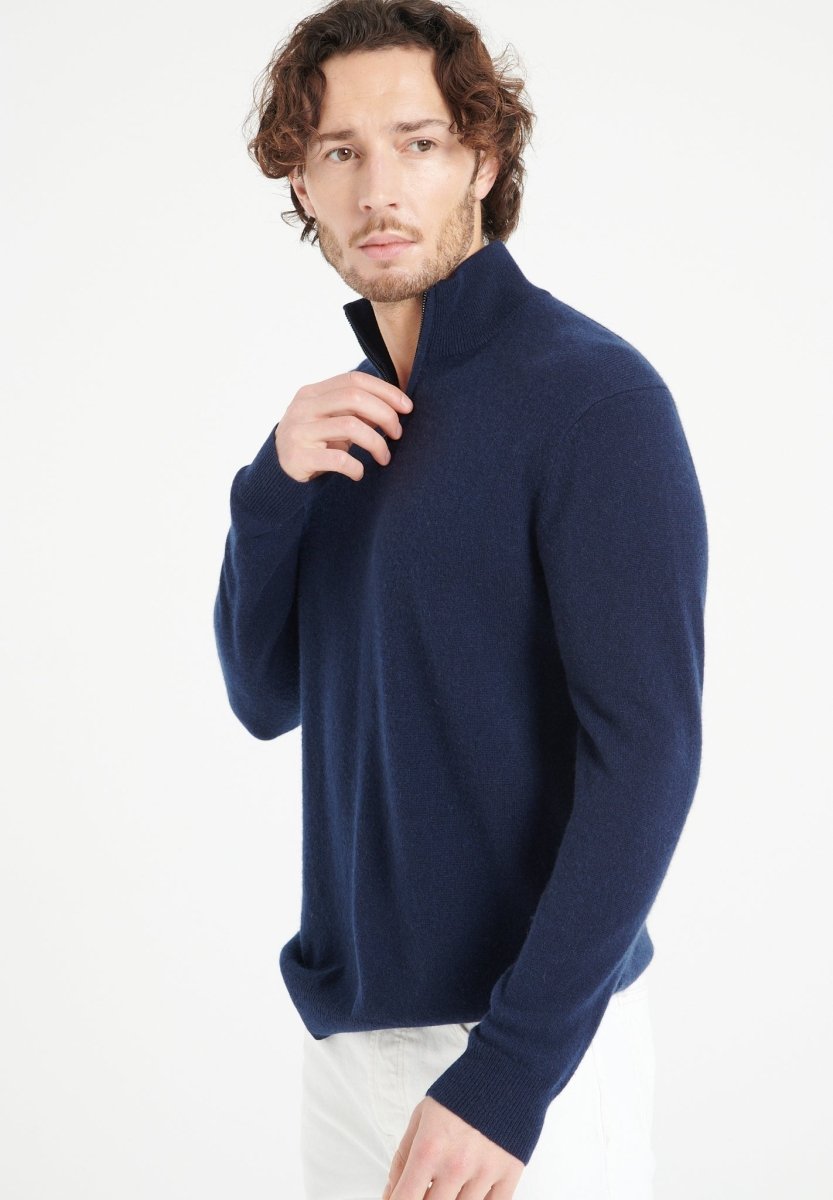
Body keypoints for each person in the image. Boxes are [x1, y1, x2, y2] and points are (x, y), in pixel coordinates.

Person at [213, 1, 708, 1196]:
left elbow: (646, 757)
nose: (378, 188)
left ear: (481, 159)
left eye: (419, 143)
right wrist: (268, 489)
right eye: (340, 151)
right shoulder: (345, 425)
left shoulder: (592, 403)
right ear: (303, 183)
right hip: (346, 1048)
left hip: (520, 1057)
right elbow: (264, 696)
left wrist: (510, 1074)